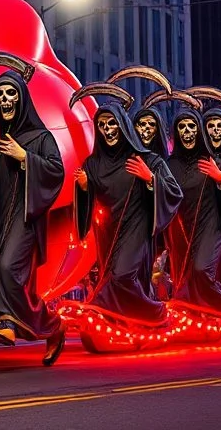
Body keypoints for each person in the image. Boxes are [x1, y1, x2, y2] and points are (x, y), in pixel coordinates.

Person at [0, 69, 68, 365]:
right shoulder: (3, 139)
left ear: (22, 98)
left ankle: (31, 324)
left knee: (6, 269)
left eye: (10, 93)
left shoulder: (40, 137)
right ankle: (22, 324)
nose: (4, 99)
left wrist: (25, 157)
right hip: (4, 218)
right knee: (3, 274)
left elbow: (56, 171)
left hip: (28, 218)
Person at [76, 103, 183, 323]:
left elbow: (174, 192)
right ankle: (127, 319)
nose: (108, 129)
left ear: (123, 125)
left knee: (122, 274)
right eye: (102, 124)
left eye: (112, 123)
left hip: (137, 226)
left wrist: (150, 178)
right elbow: (87, 202)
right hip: (107, 231)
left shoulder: (148, 159)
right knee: (112, 275)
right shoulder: (93, 164)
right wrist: (85, 188)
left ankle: (154, 312)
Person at [170, 109, 221, 318]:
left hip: (211, 224)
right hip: (182, 229)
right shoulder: (174, 164)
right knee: (185, 278)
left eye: (191, 126)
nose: (187, 132)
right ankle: (198, 317)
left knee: (201, 270)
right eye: (181, 127)